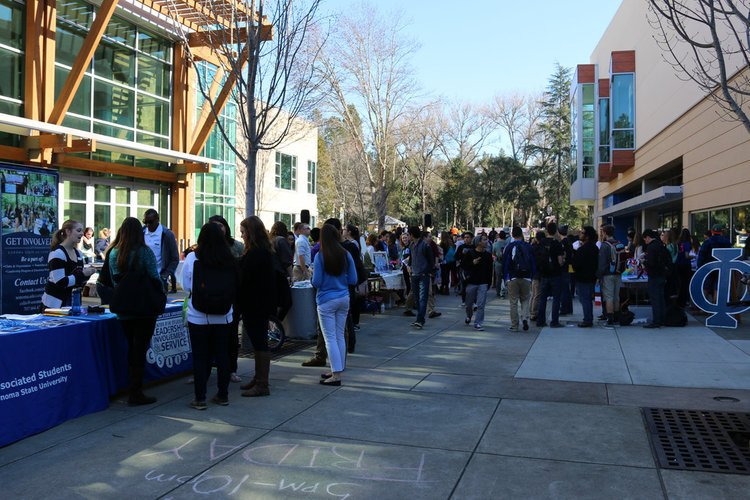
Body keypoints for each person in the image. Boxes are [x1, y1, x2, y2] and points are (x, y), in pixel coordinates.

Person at [182, 223, 238, 409]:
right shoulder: (229, 258)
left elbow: (186, 286)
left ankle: (200, 398)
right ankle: (223, 395)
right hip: (224, 314)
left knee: (200, 357)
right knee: (223, 355)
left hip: (198, 314)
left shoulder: (193, 257)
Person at [108, 217, 162, 406]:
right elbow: (155, 278)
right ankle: (136, 392)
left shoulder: (114, 252)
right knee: (140, 349)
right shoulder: (144, 252)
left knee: (132, 348)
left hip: (125, 309)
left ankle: (133, 389)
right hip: (145, 310)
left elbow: (115, 281)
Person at [312, 224, 357, 386]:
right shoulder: (346, 254)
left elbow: (316, 282)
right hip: (343, 297)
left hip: (326, 300)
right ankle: (337, 369)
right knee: (338, 336)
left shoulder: (320, 256)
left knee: (330, 337)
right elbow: (353, 279)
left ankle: (336, 374)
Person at [238, 216, 277, 397]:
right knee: (258, 342)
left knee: (259, 342)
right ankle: (259, 378)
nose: (242, 235)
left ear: (251, 233)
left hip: (254, 303)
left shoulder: (256, 253)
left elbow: (245, 278)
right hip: (259, 302)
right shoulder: (263, 251)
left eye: (244, 232)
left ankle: (262, 383)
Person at [208, 215, 244, 383]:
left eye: (220, 226)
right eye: (214, 226)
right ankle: (205, 370)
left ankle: (232, 369)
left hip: (233, 297)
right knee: (209, 336)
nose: (218, 229)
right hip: (210, 298)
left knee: (231, 335)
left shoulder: (237, 246)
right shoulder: (204, 248)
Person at [41, 220, 96, 309]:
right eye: (78, 230)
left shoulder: (78, 253)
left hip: (73, 303)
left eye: (82, 231)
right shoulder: (57, 253)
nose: (82, 234)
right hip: (54, 305)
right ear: (68, 231)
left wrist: (88, 274)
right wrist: (83, 274)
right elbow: (60, 282)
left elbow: (79, 281)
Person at [503, 226, 535, 332]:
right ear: (521, 235)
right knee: (525, 299)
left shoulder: (509, 247)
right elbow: (533, 262)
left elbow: (505, 263)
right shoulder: (528, 246)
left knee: (513, 302)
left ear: (512, 235)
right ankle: (525, 318)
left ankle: (514, 325)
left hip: (512, 277)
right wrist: (532, 276)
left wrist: (506, 277)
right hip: (526, 277)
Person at [142, 209, 179, 293]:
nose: (148, 225)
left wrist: (165, 275)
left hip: (159, 280)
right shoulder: (142, 232)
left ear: (157, 220)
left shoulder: (167, 234)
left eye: (150, 222)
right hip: (144, 279)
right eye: (145, 222)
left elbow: (175, 259)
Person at [536, 222, 565, 328]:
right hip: (556, 274)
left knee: (542, 298)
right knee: (556, 298)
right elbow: (560, 261)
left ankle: (540, 321)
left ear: (547, 230)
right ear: (556, 230)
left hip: (543, 274)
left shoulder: (541, 243)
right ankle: (554, 321)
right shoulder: (557, 243)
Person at [642, 229, 670, 328]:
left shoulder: (651, 247)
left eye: (645, 239)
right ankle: (662, 319)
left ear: (648, 237)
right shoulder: (660, 245)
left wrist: (644, 261)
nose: (645, 241)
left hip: (654, 275)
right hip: (662, 275)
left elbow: (651, 263)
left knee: (655, 299)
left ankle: (656, 321)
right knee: (661, 298)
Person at [464, 238, 492, 330]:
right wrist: (472, 262)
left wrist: (489, 282)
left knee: (481, 304)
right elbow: (463, 265)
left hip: (483, 282)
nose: (486, 241)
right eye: (484, 240)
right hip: (471, 282)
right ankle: (469, 316)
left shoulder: (488, 255)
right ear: (478, 243)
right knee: (469, 304)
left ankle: (478, 322)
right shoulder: (470, 253)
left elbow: (490, 270)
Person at [408, 226, 434, 328]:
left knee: (423, 298)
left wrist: (426, 272)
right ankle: (420, 319)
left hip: (423, 275)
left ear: (412, 235)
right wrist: (409, 266)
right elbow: (411, 258)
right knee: (417, 298)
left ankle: (420, 320)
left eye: (409, 234)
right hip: (414, 274)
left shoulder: (425, 246)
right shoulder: (411, 245)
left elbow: (431, 261)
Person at [573, 226, 599, 327]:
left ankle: (587, 320)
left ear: (587, 236)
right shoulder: (595, 248)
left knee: (585, 299)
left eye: (582, 233)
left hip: (582, 278)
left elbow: (576, 264)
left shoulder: (582, 249)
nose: (580, 234)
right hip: (591, 277)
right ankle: (588, 318)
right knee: (586, 299)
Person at [597, 224, 623, 326]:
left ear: (605, 233)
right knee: (616, 296)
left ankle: (610, 318)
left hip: (608, 274)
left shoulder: (605, 245)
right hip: (618, 273)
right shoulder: (619, 244)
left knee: (608, 296)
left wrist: (599, 276)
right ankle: (617, 316)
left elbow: (602, 263)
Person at [492, 230, 508, 297]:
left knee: (498, 278)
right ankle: (505, 291)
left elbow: (493, 253)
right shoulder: (508, 243)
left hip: (498, 262)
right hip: (506, 262)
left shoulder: (495, 244)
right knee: (506, 277)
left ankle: (498, 292)